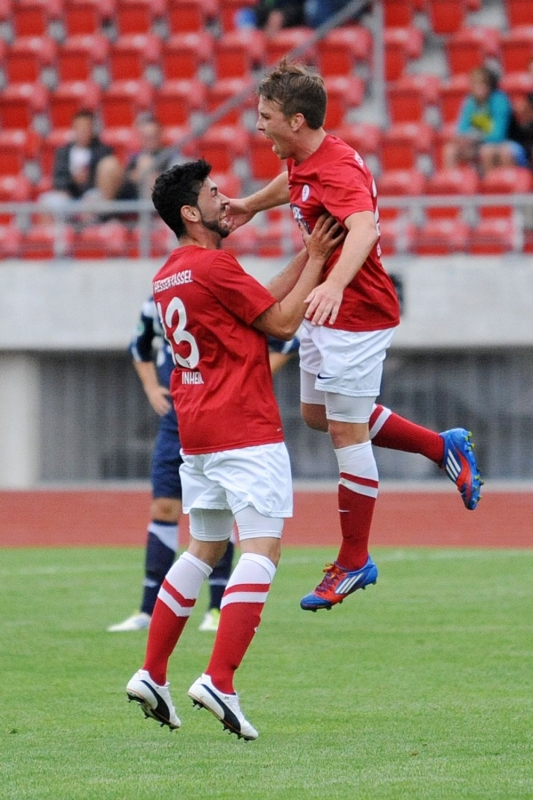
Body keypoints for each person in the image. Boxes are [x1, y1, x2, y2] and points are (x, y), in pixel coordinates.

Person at [226, 60, 483, 614]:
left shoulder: (338, 167)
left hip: (357, 313)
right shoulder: (304, 157)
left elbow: (364, 227)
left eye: (266, 116)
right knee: (318, 416)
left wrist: (335, 284)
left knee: (346, 430)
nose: (259, 126)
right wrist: (248, 205)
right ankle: (441, 446)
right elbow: (294, 183)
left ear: (296, 120)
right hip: (327, 311)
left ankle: (353, 560)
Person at [126, 159, 343, 739]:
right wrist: (319, 262)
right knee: (262, 549)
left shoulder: (171, 274)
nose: (226, 199)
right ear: (191, 213)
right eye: (214, 193)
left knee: (203, 548)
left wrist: (306, 255)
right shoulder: (215, 265)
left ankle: (152, 672)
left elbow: (254, 301)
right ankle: (219, 679)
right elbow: (281, 322)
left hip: (197, 432)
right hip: (243, 427)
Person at [108, 296, 299, 634]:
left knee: (220, 511)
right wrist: (152, 388)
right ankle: (148, 610)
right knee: (164, 507)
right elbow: (139, 346)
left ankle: (217, 607)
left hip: (222, 420)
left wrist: (243, 384)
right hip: (176, 421)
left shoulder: (220, 295)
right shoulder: (158, 301)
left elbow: (286, 342)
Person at [39, 108, 126, 213]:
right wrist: (73, 180)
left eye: (86, 128)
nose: (83, 132)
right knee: (46, 202)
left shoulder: (103, 151)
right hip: (69, 194)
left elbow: (107, 183)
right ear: (74, 129)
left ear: (92, 129)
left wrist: (88, 179)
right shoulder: (63, 152)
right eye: (79, 128)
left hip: (93, 193)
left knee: (91, 200)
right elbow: (58, 180)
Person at [443, 66, 512, 174]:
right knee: (450, 150)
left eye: (483, 83)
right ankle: (453, 180)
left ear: (490, 85)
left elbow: (499, 134)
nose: (479, 87)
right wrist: (464, 139)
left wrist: (476, 139)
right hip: (475, 143)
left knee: (487, 151)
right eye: (475, 83)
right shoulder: (470, 101)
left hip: (497, 143)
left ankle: (491, 182)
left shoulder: (499, 100)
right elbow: (462, 128)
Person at [479, 91, 533, 170]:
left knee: (506, 152)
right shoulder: (513, 116)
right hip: (513, 145)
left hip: (523, 152)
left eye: (529, 109)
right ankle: (492, 178)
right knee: (488, 150)